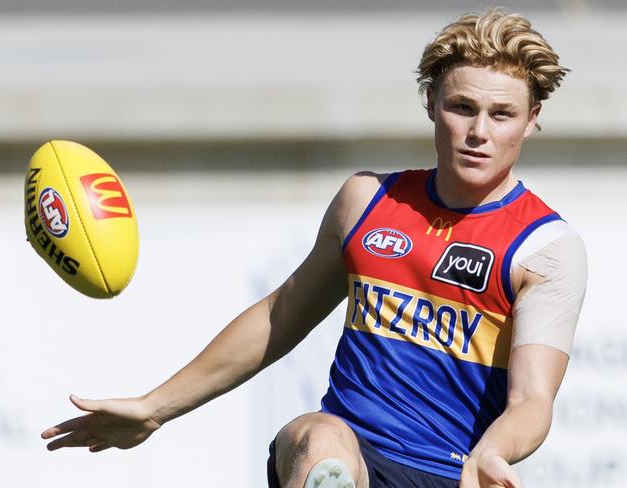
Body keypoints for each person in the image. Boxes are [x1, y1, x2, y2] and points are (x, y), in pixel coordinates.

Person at [41, 8, 587, 488]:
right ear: (430, 103)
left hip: (450, 471)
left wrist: (492, 452)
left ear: (532, 119)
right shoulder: (366, 200)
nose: (478, 132)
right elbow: (280, 316)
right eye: (462, 107)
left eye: (502, 114)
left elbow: (531, 401)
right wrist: (154, 409)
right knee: (316, 437)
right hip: (350, 457)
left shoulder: (544, 247)